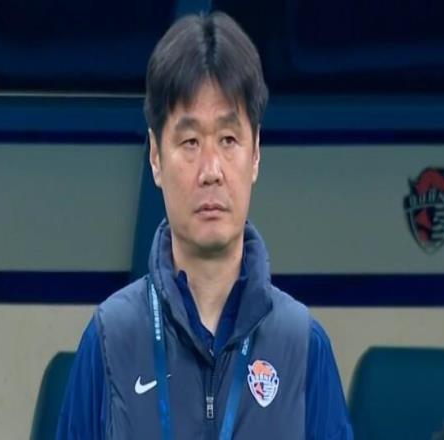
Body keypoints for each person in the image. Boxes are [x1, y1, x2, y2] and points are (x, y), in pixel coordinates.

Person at [57, 11, 353, 440]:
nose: (211, 170)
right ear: (155, 157)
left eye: (229, 140)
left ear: (256, 154)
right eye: (190, 141)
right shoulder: (110, 339)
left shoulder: (303, 345)